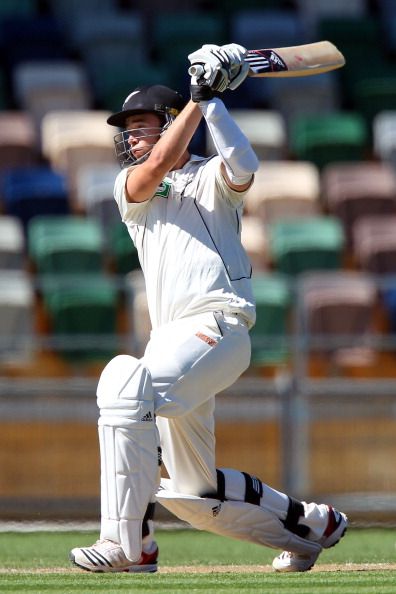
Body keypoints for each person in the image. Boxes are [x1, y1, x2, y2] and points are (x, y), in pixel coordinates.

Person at [70, 43, 348, 574]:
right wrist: (203, 94)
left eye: (142, 124)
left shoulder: (209, 178)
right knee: (195, 494)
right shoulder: (131, 188)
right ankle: (314, 526)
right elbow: (152, 170)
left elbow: (245, 165)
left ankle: (129, 547)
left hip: (218, 325)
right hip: (172, 340)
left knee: (122, 384)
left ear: (172, 122)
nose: (131, 136)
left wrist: (212, 102)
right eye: (126, 128)